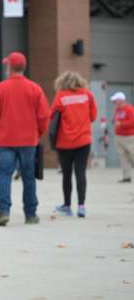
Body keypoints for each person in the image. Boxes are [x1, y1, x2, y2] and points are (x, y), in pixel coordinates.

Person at [0, 51, 49, 226]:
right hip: (28, 140)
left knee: (4, 174)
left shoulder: (0, 88)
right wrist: (37, 133)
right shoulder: (35, 88)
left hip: (5, 140)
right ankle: (31, 214)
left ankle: (4, 211)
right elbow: (44, 116)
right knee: (28, 176)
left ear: (9, 67)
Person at [51, 71, 97, 218]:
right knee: (81, 172)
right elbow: (93, 116)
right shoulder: (87, 95)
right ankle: (82, 207)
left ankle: (67, 206)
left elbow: (53, 118)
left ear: (62, 82)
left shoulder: (60, 96)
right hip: (83, 141)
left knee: (66, 174)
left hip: (64, 143)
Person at [110, 91, 134, 183]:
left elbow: (132, 122)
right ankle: (126, 176)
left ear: (120, 100)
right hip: (119, 137)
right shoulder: (117, 110)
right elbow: (116, 119)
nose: (114, 103)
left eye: (115, 101)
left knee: (132, 155)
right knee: (123, 157)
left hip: (129, 137)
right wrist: (115, 122)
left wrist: (121, 124)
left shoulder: (130, 109)